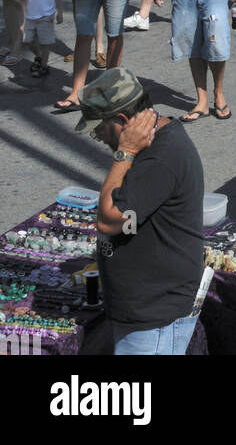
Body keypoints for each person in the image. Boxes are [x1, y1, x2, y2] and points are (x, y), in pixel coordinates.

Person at [76, 66, 204, 354]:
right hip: (147, 307)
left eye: (99, 129)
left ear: (122, 120)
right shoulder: (160, 143)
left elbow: (109, 220)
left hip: (155, 315)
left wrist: (125, 154)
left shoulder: (157, 158)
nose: (97, 137)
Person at [20, 0, 63, 78]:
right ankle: (39, 56)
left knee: (45, 42)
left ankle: (44, 65)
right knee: (27, 40)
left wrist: (60, 12)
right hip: (30, 16)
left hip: (46, 16)